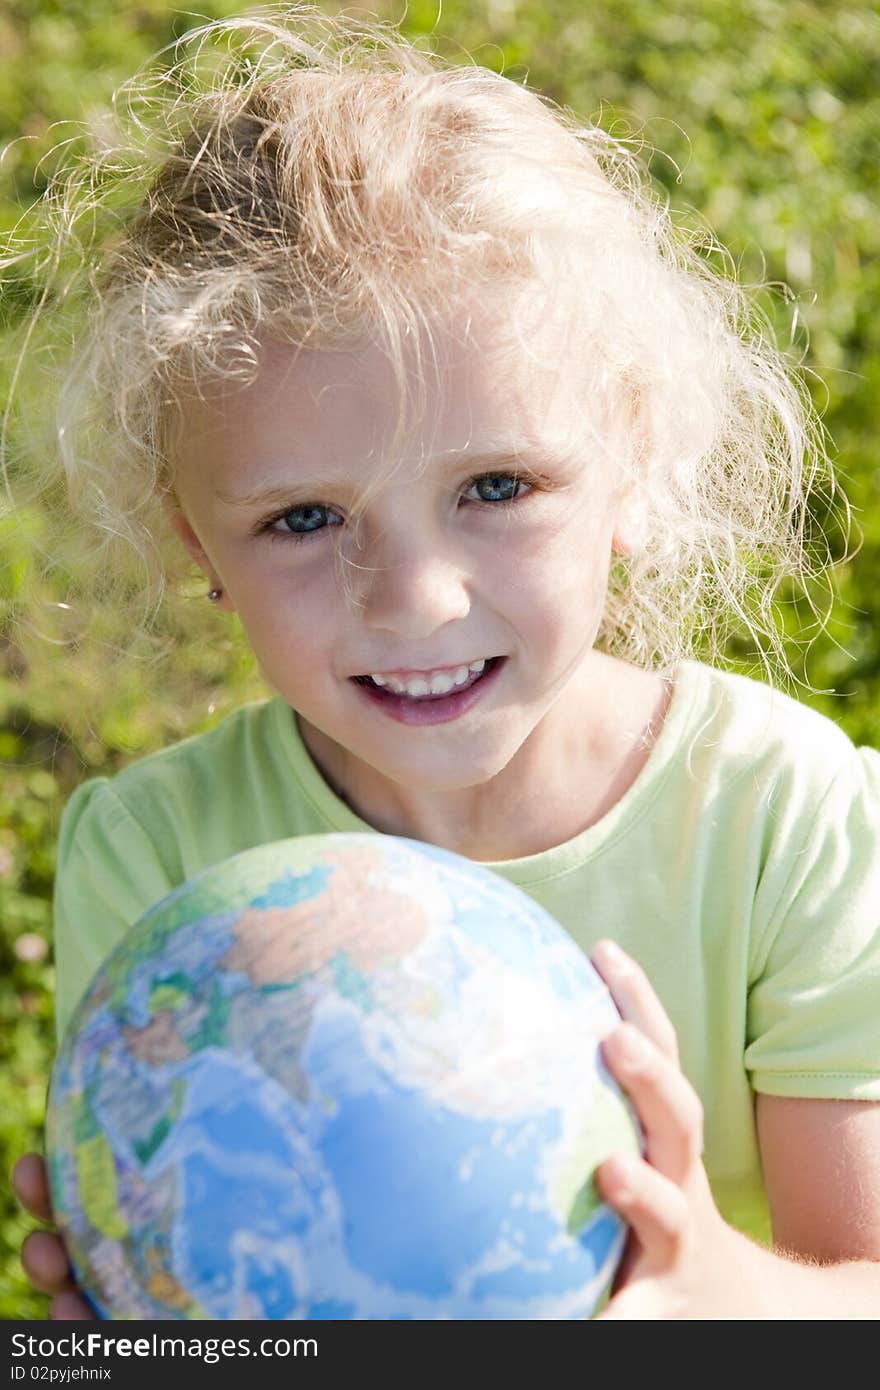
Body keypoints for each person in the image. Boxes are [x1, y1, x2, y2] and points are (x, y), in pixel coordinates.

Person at [7, 5, 880, 1320]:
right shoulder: (153, 856)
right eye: (303, 518)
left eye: (497, 484)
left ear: (632, 459)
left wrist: (709, 1283)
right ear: (200, 535)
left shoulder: (778, 818)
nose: (416, 601)